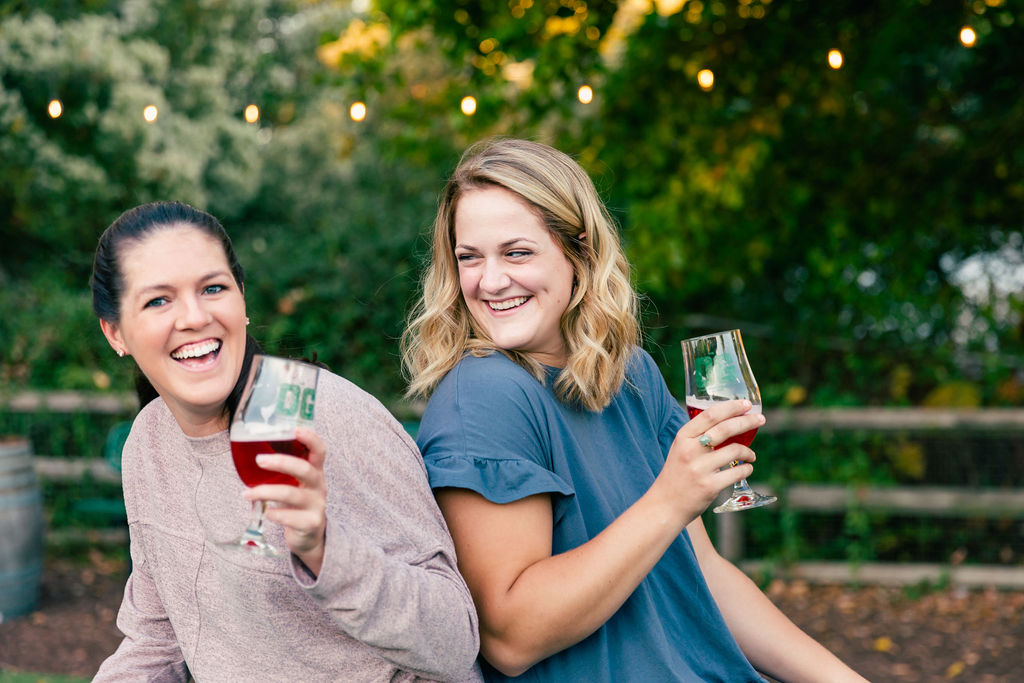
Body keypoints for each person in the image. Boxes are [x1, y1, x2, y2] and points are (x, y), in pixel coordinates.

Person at [401, 138, 868, 682]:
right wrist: (669, 500)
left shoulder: (630, 374)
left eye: (517, 252)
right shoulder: (484, 395)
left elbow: (705, 576)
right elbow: (510, 636)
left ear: (580, 252)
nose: (490, 280)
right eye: (469, 258)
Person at [90, 201, 482, 682]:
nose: (194, 316)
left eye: (213, 288)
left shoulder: (313, 413)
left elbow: (455, 642)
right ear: (115, 333)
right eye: (158, 300)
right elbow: (157, 640)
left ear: (242, 303)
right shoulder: (149, 442)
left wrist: (323, 550)